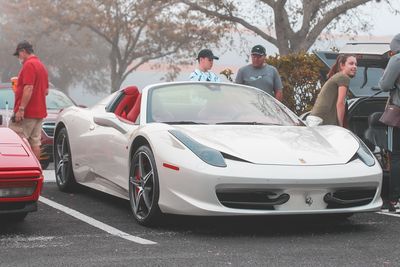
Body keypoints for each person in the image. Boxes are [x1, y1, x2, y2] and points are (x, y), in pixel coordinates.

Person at [9, 40, 49, 160]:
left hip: (26, 113)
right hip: (39, 112)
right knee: (35, 143)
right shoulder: (41, 66)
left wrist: (21, 109)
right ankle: (36, 171)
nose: (19, 57)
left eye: (19, 54)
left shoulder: (29, 65)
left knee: (15, 140)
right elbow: (46, 91)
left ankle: (18, 170)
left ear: (23, 51)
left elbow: (29, 88)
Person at [378, 33, 400, 211]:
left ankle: (394, 199)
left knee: (396, 155)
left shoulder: (397, 59)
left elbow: (384, 85)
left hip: (398, 114)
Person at [306, 54, 357, 127]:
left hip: (315, 119)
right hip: (321, 121)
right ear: (342, 65)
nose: (355, 66)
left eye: (355, 64)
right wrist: (341, 125)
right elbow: (340, 103)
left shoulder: (337, 76)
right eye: (351, 63)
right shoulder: (344, 77)